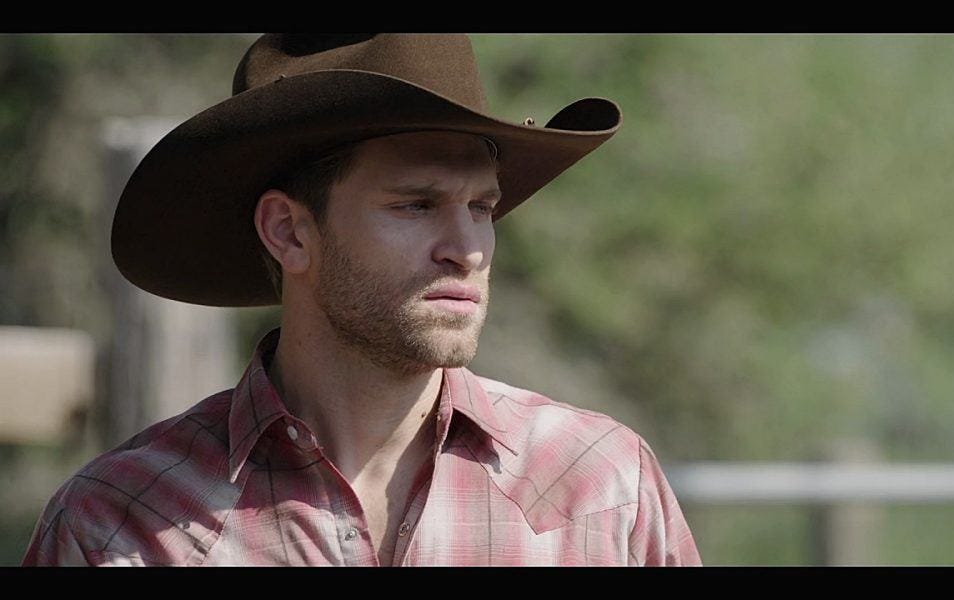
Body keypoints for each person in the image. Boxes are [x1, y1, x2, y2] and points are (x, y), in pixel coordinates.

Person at [22, 33, 701, 567]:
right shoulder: (123, 525)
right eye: (416, 205)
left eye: (482, 208)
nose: (467, 248)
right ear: (289, 230)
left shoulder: (601, 486)